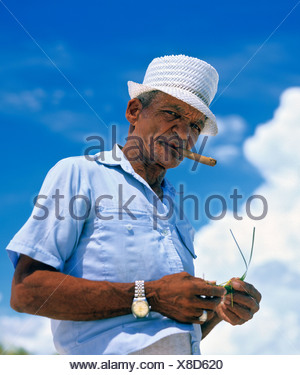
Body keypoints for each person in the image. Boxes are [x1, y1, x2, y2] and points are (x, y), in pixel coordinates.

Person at [6, 55, 261, 355]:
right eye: (171, 114)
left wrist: (217, 310)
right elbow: (26, 292)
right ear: (134, 111)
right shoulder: (79, 173)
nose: (182, 133)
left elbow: (162, 332)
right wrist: (152, 295)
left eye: (194, 125)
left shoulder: (175, 207)